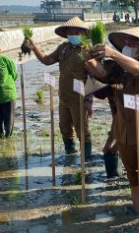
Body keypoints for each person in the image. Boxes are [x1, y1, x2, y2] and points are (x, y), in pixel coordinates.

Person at [84, 26, 139, 229]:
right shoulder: (119, 71)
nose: (127, 46)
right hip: (125, 134)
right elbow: (101, 72)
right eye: (124, 42)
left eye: (131, 43)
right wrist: (89, 58)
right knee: (134, 180)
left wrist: (113, 53)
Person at [27, 16, 93, 157]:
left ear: (82, 34)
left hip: (79, 98)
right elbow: (47, 60)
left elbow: (92, 78)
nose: (73, 35)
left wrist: (88, 101)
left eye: (76, 32)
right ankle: (70, 154)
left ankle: (87, 160)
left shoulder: (87, 51)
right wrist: (33, 47)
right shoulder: (63, 48)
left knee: (82, 130)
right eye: (70, 32)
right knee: (64, 128)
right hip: (64, 97)